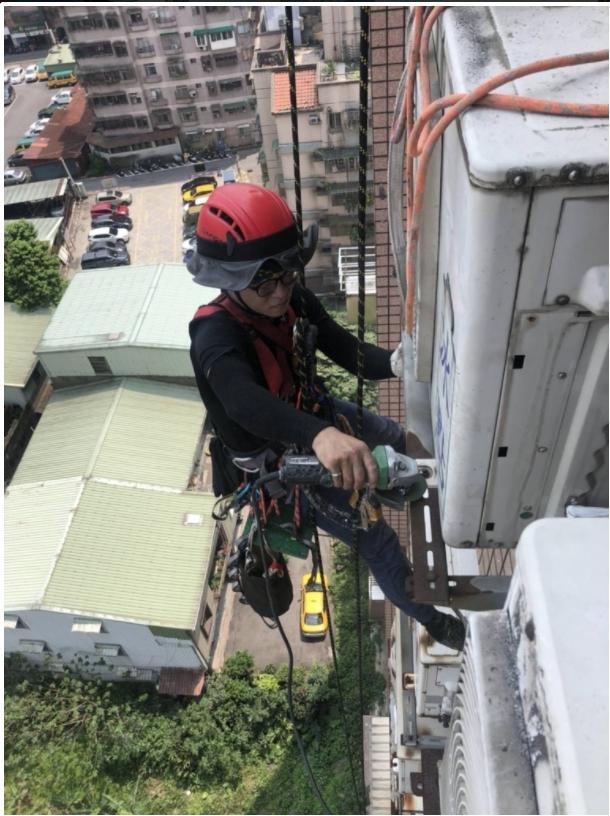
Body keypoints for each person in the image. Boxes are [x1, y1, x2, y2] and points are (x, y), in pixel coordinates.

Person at [188, 183, 465, 652]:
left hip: (312, 415)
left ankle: (454, 480)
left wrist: (394, 362)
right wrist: (321, 437)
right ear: (231, 281)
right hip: (282, 461)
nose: (280, 293)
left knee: (394, 436)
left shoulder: (292, 301)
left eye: (287, 276)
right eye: (265, 283)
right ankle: (434, 620)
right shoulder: (215, 335)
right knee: (377, 541)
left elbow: (341, 347)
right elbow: (243, 403)